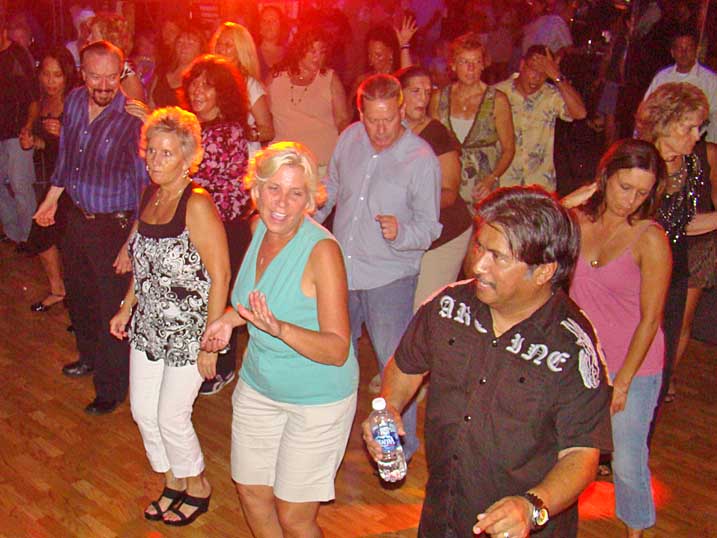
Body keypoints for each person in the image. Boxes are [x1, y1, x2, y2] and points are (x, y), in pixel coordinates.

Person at [362, 186, 612, 537]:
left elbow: (581, 455)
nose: (478, 264)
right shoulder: (448, 306)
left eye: (498, 257)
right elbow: (405, 366)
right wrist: (388, 406)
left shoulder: (572, 348)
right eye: (479, 247)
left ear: (543, 271)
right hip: (443, 511)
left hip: (520, 527)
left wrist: (532, 506)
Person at [201, 142, 358, 537]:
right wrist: (229, 319)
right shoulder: (259, 228)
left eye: (296, 193)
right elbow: (258, 299)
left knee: (294, 516)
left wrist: (281, 329)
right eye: (274, 188)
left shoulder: (322, 252)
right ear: (256, 189)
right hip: (259, 387)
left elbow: (337, 349)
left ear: (311, 199)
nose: (282, 203)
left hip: (317, 401)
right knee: (252, 492)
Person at [109, 107, 229, 526]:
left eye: (167, 153)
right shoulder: (151, 195)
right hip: (149, 327)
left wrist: (211, 343)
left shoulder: (197, 204)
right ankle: (173, 480)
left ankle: (197, 484)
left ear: (187, 159)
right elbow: (144, 263)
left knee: (171, 416)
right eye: (152, 150)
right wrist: (127, 306)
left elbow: (220, 274)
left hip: (190, 331)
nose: (155, 160)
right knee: (143, 412)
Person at [314, 74, 441, 461]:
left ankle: (398, 448)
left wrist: (401, 232)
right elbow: (333, 187)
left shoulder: (421, 159)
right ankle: (326, 437)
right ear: (360, 113)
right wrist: (309, 214)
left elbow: (430, 227)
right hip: (343, 272)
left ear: (402, 111)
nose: (381, 129)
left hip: (390, 278)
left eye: (388, 119)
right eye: (372, 120)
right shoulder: (350, 139)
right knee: (335, 357)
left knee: (394, 367)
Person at [34, 40, 149, 415]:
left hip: (114, 226)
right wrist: (52, 199)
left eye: (111, 77)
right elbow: (67, 159)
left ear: (121, 73)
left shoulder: (132, 119)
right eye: (95, 76)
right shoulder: (72, 101)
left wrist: (130, 243)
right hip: (77, 217)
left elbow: (143, 189)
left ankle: (112, 387)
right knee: (80, 298)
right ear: (82, 73)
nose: (103, 85)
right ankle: (89, 358)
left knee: (111, 309)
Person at [568, 139, 671, 538]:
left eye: (642, 193)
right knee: (567, 449)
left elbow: (651, 320)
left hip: (634, 365)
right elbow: (530, 231)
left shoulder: (650, 238)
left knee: (626, 460)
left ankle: (636, 530)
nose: (631, 200)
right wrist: (568, 202)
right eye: (625, 187)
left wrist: (623, 381)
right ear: (605, 177)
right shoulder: (577, 220)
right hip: (583, 360)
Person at [635, 82, 717, 410]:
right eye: (689, 127)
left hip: (675, 266)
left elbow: (683, 223)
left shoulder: (691, 164)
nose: (697, 136)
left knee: (665, 342)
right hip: (637, 267)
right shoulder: (637, 160)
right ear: (665, 122)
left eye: (700, 127)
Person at [180, 54, 251, 395]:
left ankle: (222, 367)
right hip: (195, 228)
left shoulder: (228, 132)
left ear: (222, 93)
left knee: (219, 296)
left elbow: (205, 180)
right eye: (194, 85)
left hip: (223, 229)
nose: (197, 92)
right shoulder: (189, 128)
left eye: (207, 86)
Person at [396, 65, 473, 310]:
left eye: (427, 92)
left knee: (424, 307)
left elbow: (449, 193)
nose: (423, 99)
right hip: (410, 233)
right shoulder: (387, 131)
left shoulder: (436, 134)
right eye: (415, 91)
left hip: (446, 232)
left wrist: (404, 205)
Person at [19, 46, 77, 312]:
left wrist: (65, 133)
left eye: (57, 75)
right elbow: (49, 146)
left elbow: (90, 144)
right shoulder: (42, 101)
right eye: (46, 74)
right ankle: (58, 290)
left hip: (76, 180)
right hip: (55, 178)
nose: (51, 81)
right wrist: (34, 142)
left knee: (71, 242)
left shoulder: (76, 100)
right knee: (42, 235)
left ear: (67, 75)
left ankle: (76, 296)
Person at [430, 32, 515, 209]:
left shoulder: (497, 100)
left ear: (483, 65)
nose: (471, 68)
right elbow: (433, 145)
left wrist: (492, 178)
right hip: (448, 187)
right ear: (453, 65)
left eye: (476, 62)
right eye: (464, 62)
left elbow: (509, 148)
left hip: (482, 190)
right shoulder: (439, 99)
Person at [495, 45, 587, 192]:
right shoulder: (498, 93)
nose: (537, 77)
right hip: (504, 184)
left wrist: (557, 77)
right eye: (533, 69)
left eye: (543, 73)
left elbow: (580, 113)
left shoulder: (551, 95)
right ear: (522, 65)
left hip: (540, 185)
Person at [267, 26, 350, 173]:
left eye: (322, 52)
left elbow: (342, 120)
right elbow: (263, 114)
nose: (318, 57)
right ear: (299, 50)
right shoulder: (276, 77)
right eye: (312, 51)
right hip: (284, 165)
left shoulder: (329, 78)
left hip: (322, 166)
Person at [0, 14, 39, 247]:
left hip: (17, 131)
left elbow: (33, 96)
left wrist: (29, 126)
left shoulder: (17, 55)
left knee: (20, 185)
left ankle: (30, 238)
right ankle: (13, 232)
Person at [210, 21, 274, 155]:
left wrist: (243, 134)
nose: (221, 49)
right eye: (219, 44)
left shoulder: (250, 85)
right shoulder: (207, 81)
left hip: (241, 156)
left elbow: (268, 130)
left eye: (228, 45)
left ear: (240, 51)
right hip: (213, 155)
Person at [348, 19, 416, 119]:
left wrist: (404, 45)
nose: (372, 59)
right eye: (370, 55)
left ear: (390, 54)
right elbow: (348, 114)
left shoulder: (397, 80)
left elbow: (410, 81)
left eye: (378, 55)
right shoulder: (362, 81)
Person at [86, 12, 145, 101]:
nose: (88, 39)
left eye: (93, 36)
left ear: (110, 40)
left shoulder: (128, 81)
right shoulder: (94, 69)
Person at [148, 26, 204, 109]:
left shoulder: (201, 78)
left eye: (191, 43)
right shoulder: (162, 70)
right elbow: (151, 102)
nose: (184, 47)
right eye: (180, 42)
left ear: (200, 49)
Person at [256, 5, 287, 79]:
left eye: (273, 21)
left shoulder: (289, 54)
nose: (268, 24)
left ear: (281, 25)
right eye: (264, 20)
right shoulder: (251, 53)